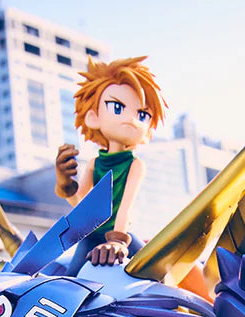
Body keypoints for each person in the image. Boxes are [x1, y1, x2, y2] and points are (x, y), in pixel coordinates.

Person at [55, 56, 166, 265]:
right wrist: (65, 184)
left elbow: (126, 207)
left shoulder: (134, 165)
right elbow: (81, 206)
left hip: (120, 237)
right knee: (71, 277)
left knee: (157, 271)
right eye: (117, 107)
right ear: (93, 117)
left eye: (142, 115)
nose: (132, 119)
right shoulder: (95, 164)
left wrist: (118, 240)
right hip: (91, 236)